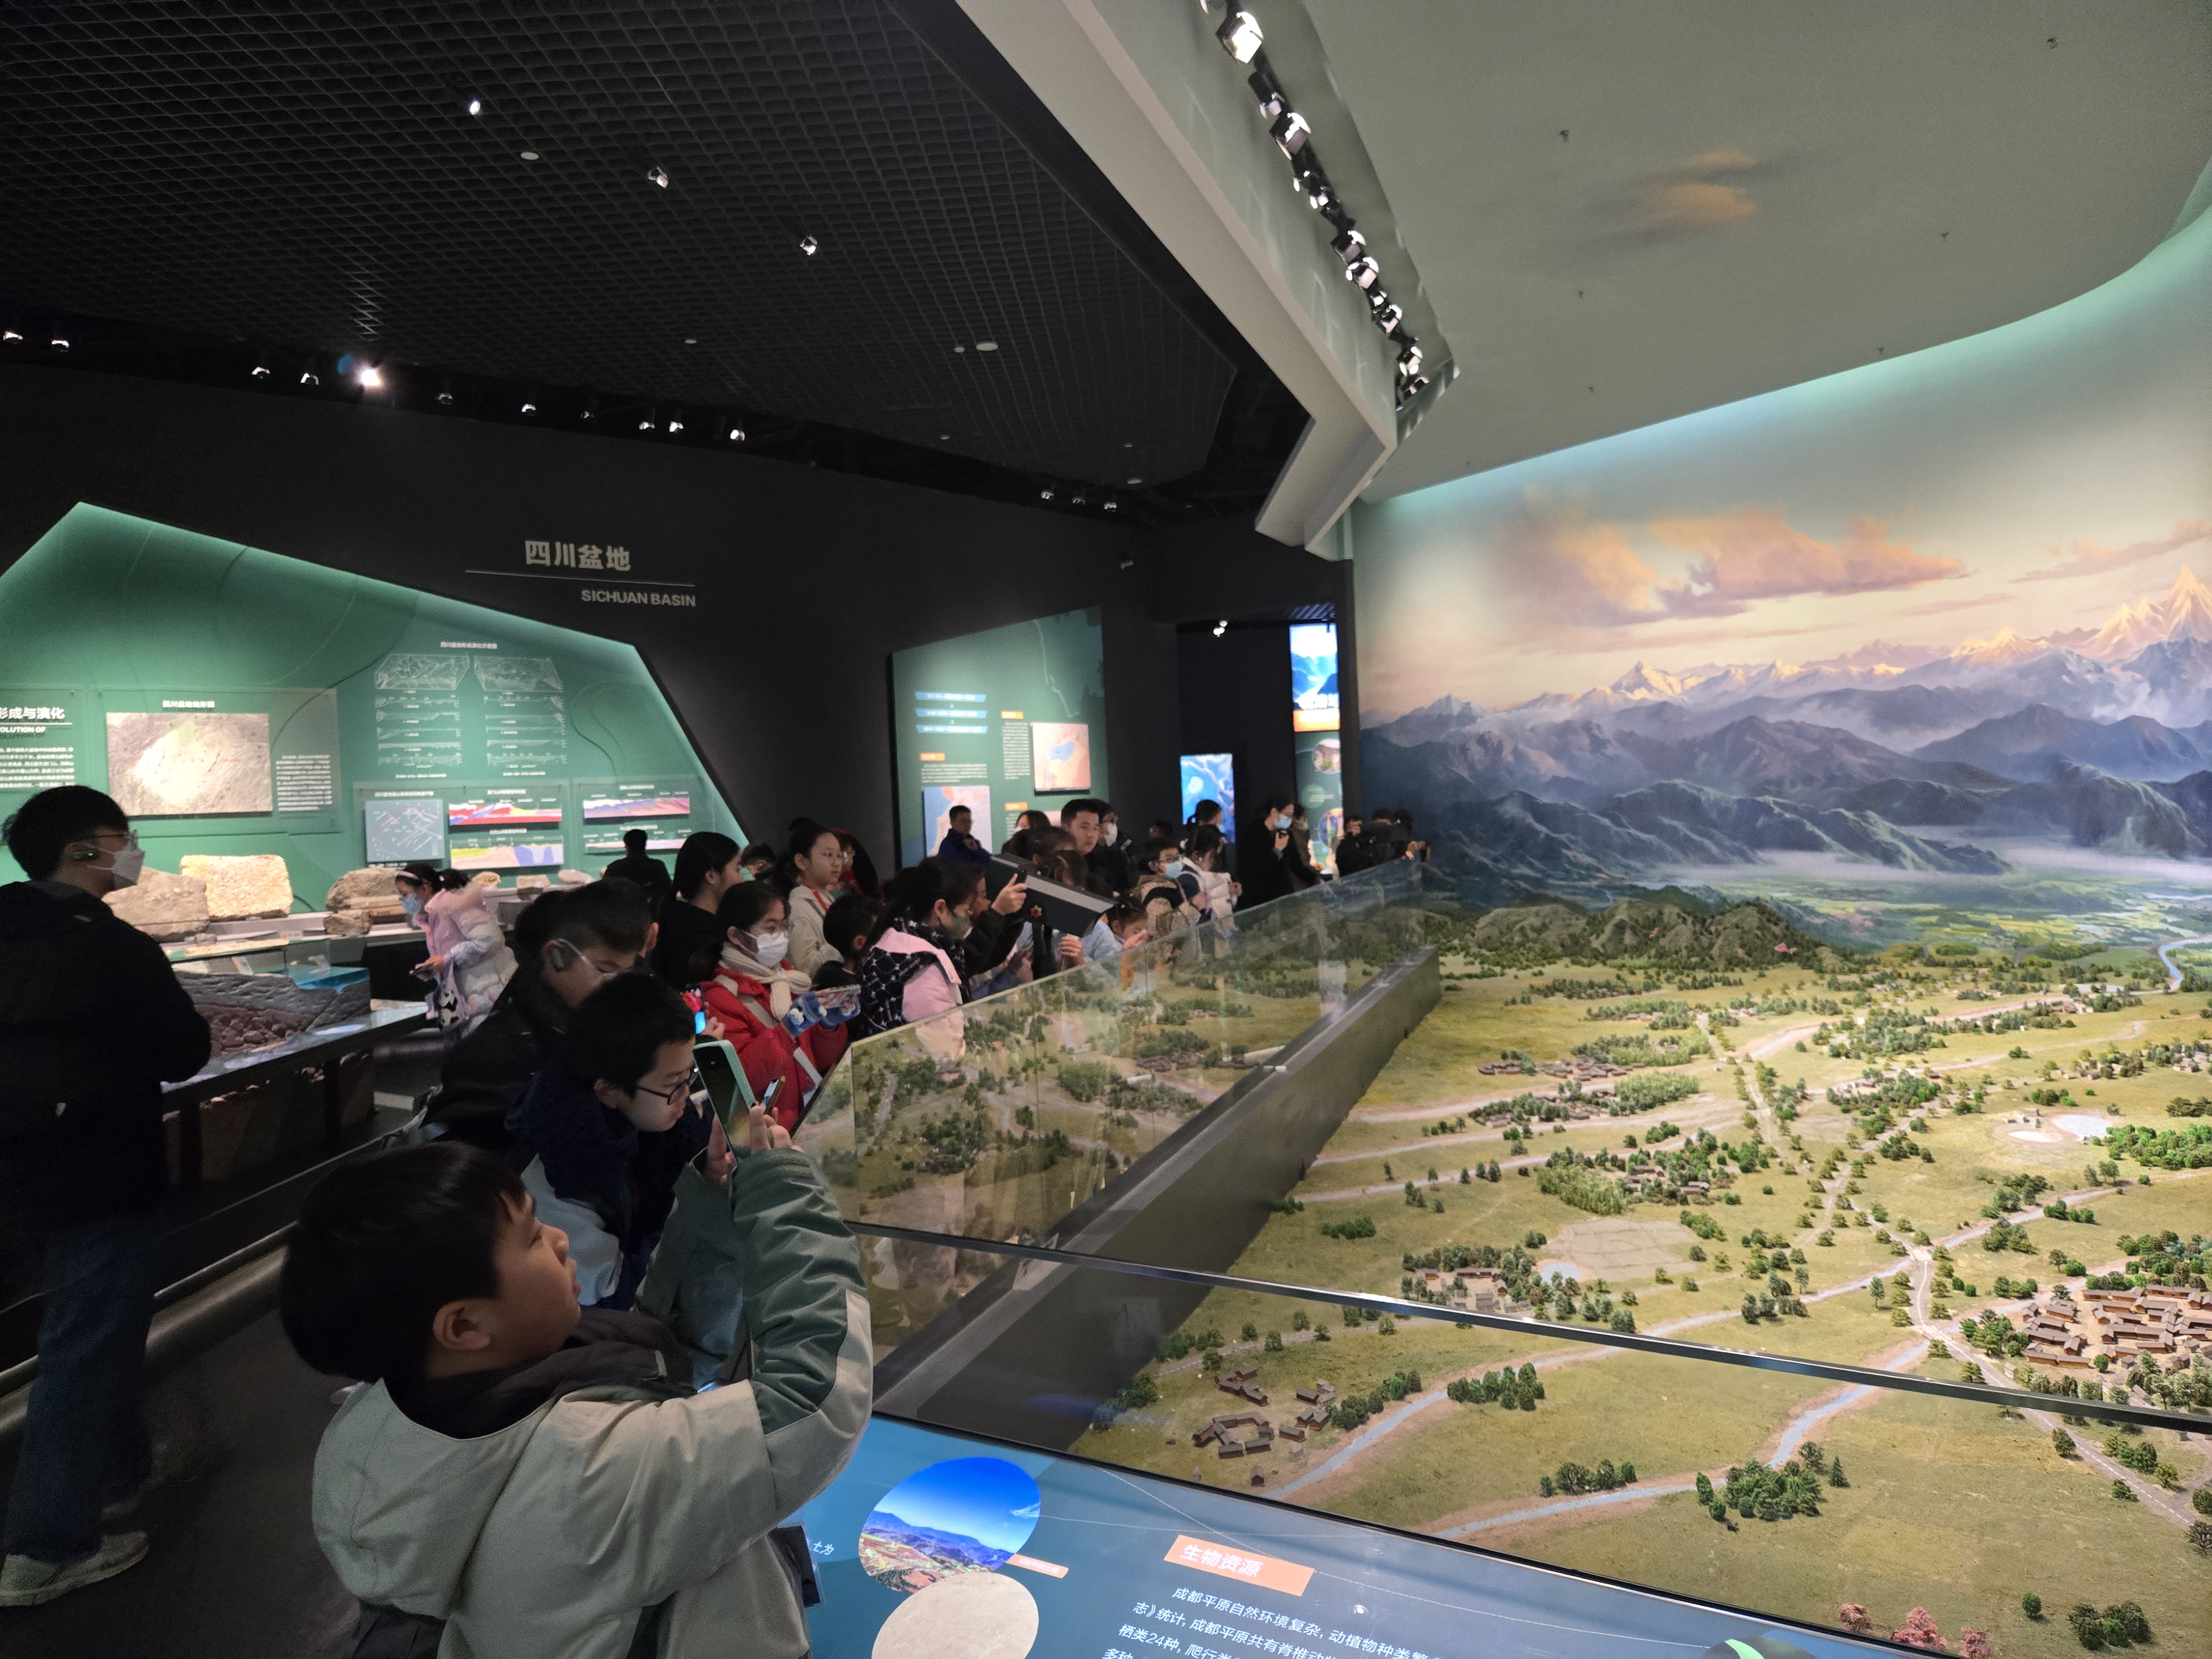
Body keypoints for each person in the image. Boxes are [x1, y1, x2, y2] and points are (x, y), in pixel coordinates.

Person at [283, 1124, 867, 1659]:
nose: (562, 1239)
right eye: (532, 1237)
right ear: (464, 1326)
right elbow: (811, 1407)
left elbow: (658, 1364)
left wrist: (714, 1210)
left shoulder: (384, 1421)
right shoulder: (588, 1470)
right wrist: (792, 1203)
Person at [0, 786, 212, 1605]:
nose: (133, 852)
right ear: (85, 851)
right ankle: (46, 1548)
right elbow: (185, 1051)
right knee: (85, 1351)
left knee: (93, 1332)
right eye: (124, 839)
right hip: (104, 1173)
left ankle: (119, 1475)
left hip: (18, 1172)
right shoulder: (115, 947)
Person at [503, 974, 713, 1310]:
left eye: (690, 1075)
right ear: (610, 1091)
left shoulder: (642, 1119)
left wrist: (707, 1169)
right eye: (674, 1084)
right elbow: (613, 1296)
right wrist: (702, 1210)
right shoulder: (565, 1176)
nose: (686, 1095)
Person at [431, 882, 654, 1149]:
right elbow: (491, 1162)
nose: (618, 987)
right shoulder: (494, 1056)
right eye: (606, 970)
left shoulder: (587, 1022)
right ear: (556, 955)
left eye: (626, 972)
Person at [700, 883, 854, 1130]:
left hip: (809, 1119)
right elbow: (742, 1080)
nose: (782, 937)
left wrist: (828, 1027)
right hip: (769, 1130)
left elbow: (819, 1059)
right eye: (771, 928)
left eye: (784, 927)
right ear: (736, 936)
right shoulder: (721, 997)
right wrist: (787, 1031)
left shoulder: (790, 978)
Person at [857, 859, 982, 1047]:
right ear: (941, 908)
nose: (968, 918)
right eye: (965, 911)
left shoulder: (897, 938)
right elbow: (947, 1048)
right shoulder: (924, 967)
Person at [416, 870, 518, 1033]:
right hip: (470, 996)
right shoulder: (434, 915)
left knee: (488, 1042)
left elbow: (488, 940)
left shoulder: (458, 905)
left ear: (424, 889)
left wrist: (448, 959)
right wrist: (435, 967)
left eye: (405, 894)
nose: (403, 900)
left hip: (489, 993)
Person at [651, 832, 743, 989]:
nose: (742, 880)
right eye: (737, 869)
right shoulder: (706, 939)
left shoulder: (674, 920)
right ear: (712, 875)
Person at [781, 821, 849, 978]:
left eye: (839, 856)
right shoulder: (797, 909)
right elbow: (805, 970)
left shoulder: (827, 898)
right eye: (828, 855)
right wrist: (844, 942)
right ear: (802, 862)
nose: (837, 863)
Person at [1236, 793, 1299, 910]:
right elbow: (1257, 868)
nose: (1289, 820)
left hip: (1284, 897)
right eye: (1287, 815)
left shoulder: (1285, 834)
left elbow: (1296, 864)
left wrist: (1316, 879)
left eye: (1292, 816)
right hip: (1262, 901)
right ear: (1274, 812)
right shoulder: (1253, 833)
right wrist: (1278, 850)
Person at [601, 828, 673, 911]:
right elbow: (667, 891)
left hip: (624, 915)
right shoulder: (658, 866)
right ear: (644, 845)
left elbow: (605, 896)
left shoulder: (615, 868)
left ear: (627, 846)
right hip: (653, 915)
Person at [935, 803, 990, 867]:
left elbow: (989, 862)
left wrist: (976, 850)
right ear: (952, 823)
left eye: (969, 821)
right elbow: (960, 868)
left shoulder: (973, 843)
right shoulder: (948, 845)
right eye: (963, 821)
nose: (967, 825)